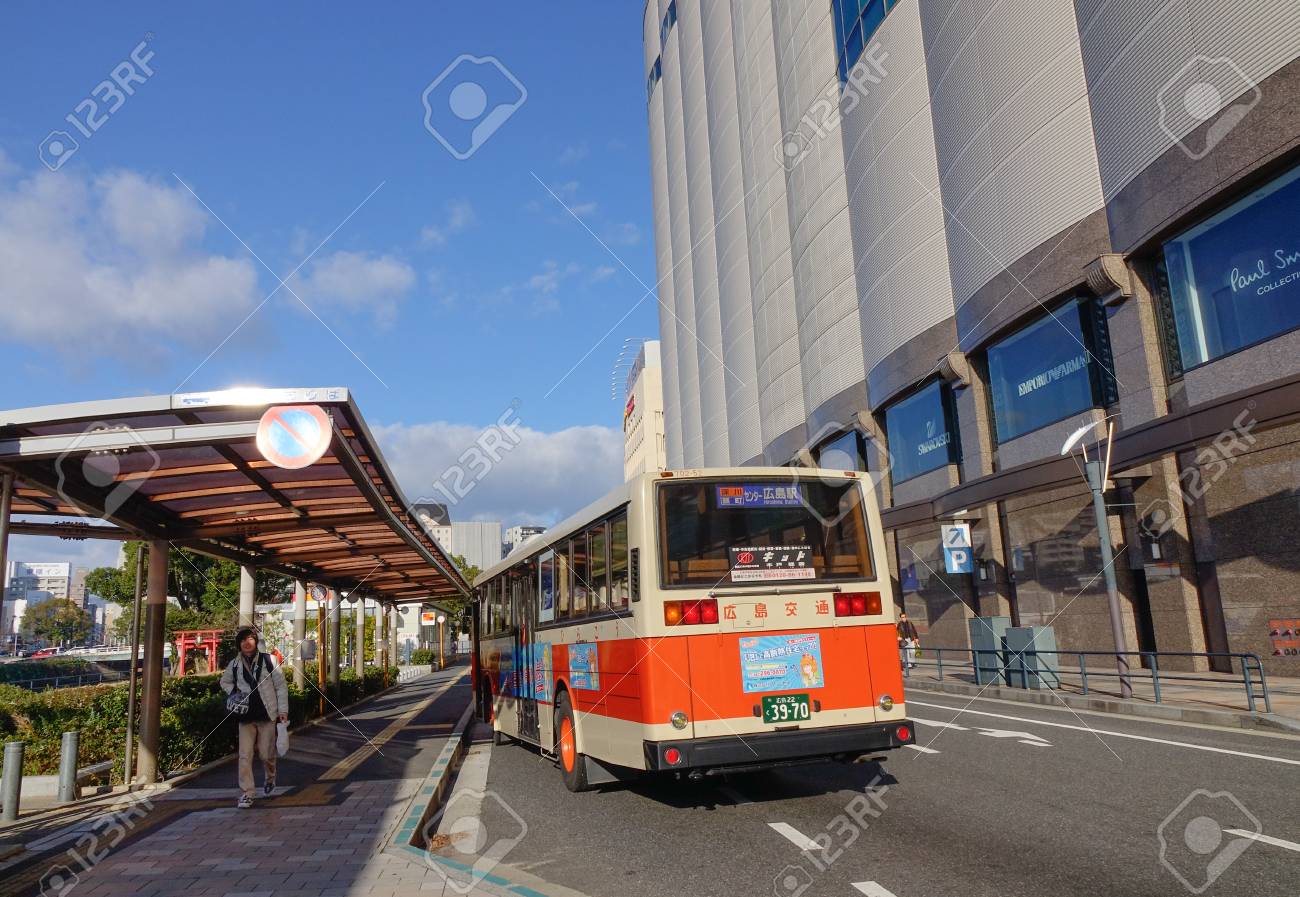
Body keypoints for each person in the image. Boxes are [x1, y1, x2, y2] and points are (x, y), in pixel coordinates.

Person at [220, 628, 288, 808]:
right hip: (245, 716)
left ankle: (270, 778)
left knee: (266, 754)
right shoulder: (234, 664)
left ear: (256, 641)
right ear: (239, 644)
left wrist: (283, 710)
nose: (246, 642)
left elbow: (281, 686)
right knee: (245, 755)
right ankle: (247, 793)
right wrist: (234, 693)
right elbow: (224, 682)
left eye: (250, 639)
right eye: (243, 640)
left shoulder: (269, 660)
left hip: (268, 713)